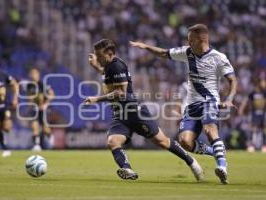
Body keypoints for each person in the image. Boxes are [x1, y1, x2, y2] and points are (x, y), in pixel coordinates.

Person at [130, 24, 238, 184]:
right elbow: (164, 53)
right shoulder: (187, 52)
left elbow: (232, 80)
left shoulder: (219, 58)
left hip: (209, 101)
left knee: (210, 130)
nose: (188, 42)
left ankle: (222, 166)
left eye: (190, 40)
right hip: (191, 106)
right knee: (185, 141)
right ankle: (216, 152)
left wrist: (229, 98)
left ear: (200, 39)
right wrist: (145, 46)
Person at [84, 39, 204, 181]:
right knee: (113, 141)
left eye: (99, 55)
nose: (97, 58)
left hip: (134, 112)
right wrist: (96, 66)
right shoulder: (109, 66)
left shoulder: (117, 66)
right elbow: (106, 74)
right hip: (120, 115)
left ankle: (191, 162)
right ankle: (127, 169)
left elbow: (121, 92)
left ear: (109, 53)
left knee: (163, 142)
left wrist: (96, 99)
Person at [26, 68, 55, 151]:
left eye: (34, 73)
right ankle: (36, 145)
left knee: (45, 129)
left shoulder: (42, 85)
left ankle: (50, 136)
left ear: (38, 74)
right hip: (34, 109)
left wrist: (46, 104)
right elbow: (30, 97)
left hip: (42, 110)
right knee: (35, 127)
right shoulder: (30, 85)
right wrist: (30, 104)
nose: (33, 76)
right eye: (31, 74)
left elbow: (52, 94)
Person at [239, 78, 266, 152]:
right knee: (253, 128)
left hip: (263, 113)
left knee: (264, 129)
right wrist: (241, 108)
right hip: (254, 113)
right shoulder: (253, 92)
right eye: (263, 82)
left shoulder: (264, 92)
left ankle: (264, 145)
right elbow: (246, 100)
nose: (264, 84)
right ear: (259, 83)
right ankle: (251, 145)